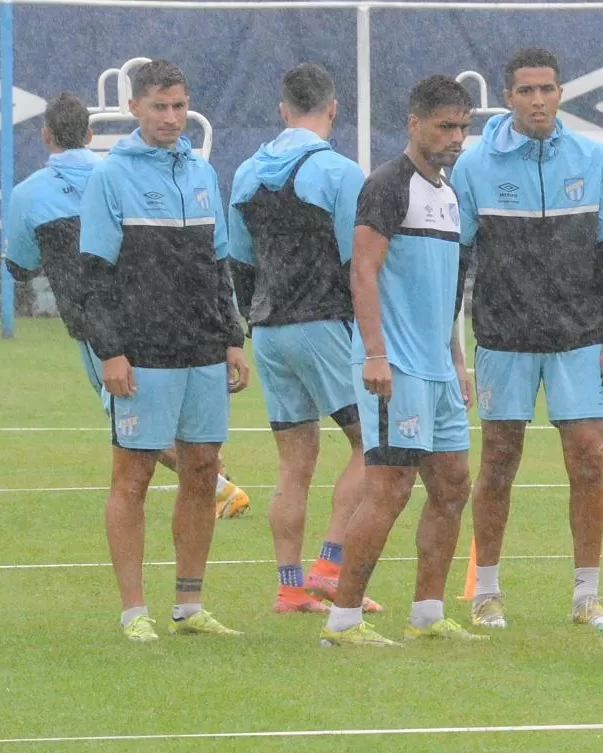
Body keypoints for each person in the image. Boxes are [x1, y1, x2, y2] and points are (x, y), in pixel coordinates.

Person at [4, 92, 251, 522]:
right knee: (155, 414)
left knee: (130, 421)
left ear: (45, 136)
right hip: (154, 312)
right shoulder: (118, 174)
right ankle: (206, 469)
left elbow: (20, 269)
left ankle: (216, 485)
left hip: (95, 323)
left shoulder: (30, 194)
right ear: (89, 133)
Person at [450, 47, 603, 632]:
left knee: (587, 463)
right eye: (526, 91)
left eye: (547, 89)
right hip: (504, 340)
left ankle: (587, 597)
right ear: (507, 98)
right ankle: (488, 592)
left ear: (561, 93)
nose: (538, 101)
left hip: (579, 340)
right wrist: (453, 349)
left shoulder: (593, 158)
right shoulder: (475, 165)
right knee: (499, 462)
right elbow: (458, 259)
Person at [79, 60, 249, 642]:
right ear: (135, 109)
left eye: (179, 106)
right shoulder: (110, 175)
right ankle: (133, 612)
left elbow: (218, 264)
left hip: (203, 349)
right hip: (142, 353)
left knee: (203, 472)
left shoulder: (203, 171)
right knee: (134, 476)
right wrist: (111, 352)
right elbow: (93, 276)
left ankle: (189, 605)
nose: (171, 117)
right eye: (159, 106)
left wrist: (232, 338)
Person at [320, 75, 484, 647]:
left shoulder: (450, 194)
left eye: (463, 126)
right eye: (446, 126)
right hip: (396, 368)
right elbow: (362, 270)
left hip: (437, 371)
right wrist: (374, 354)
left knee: (453, 486)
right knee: (388, 489)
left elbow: (447, 292)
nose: (457, 137)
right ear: (414, 124)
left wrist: (458, 362)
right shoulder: (388, 185)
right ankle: (342, 621)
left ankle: (428, 612)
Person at [227, 62, 382, 615]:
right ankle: (329, 567)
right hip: (324, 326)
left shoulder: (246, 172)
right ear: (334, 108)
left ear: (281, 109)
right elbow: (357, 264)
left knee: (294, 464)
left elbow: (239, 264)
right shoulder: (340, 172)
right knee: (376, 444)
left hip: (269, 331)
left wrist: (251, 325)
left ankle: (290, 587)